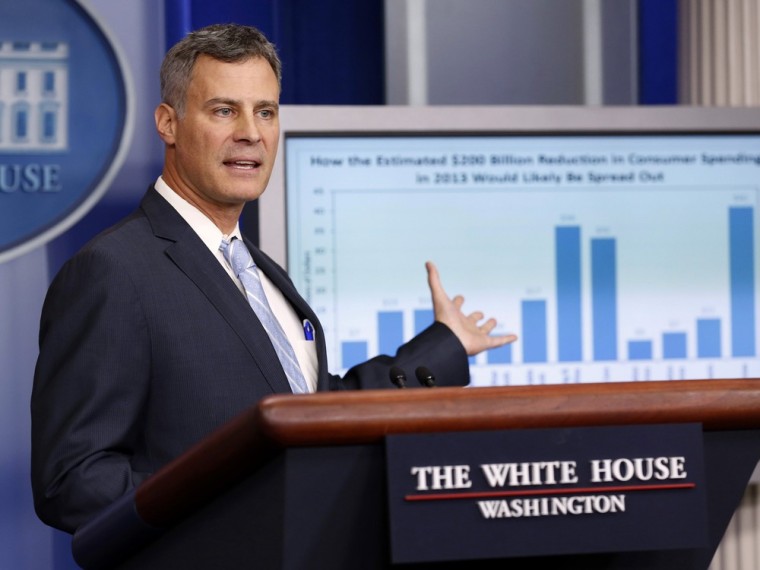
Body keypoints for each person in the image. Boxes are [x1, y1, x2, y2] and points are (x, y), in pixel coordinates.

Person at [30, 23, 516, 534]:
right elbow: (72, 478)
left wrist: (443, 346)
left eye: (265, 111)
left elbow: (314, 413)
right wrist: (235, 506)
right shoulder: (113, 270)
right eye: (224, 110)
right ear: (168, 123)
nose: (251, 132)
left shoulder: (262, 272)